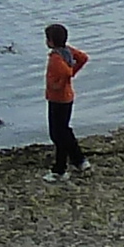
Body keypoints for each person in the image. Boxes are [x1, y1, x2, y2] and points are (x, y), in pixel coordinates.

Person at [44, 24, 89, 178]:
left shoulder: (56, 58)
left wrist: (61, 81)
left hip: (58, 99)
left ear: (51, 41)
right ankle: (79, 160)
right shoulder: (68, 51)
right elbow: (83, 58)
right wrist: (70, 74)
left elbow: (65, 71)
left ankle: (60, 169)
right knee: (64, 131)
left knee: (57, 134)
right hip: (67, 97)